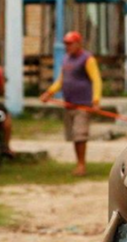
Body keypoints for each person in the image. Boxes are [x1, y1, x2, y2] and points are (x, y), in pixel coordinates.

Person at [39, 31, 102, 176]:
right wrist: (49, 92)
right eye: (66, 43)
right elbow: (61, 80)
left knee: (80, 135)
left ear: (78, 43)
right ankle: (78, 163)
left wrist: (96, 100)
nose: (67, 46)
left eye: (70, 43)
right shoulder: (66, 59)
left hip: (83, 105)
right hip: (69, 104)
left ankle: (81, 165)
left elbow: (96, 80)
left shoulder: (87, 59)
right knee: (74, 136)